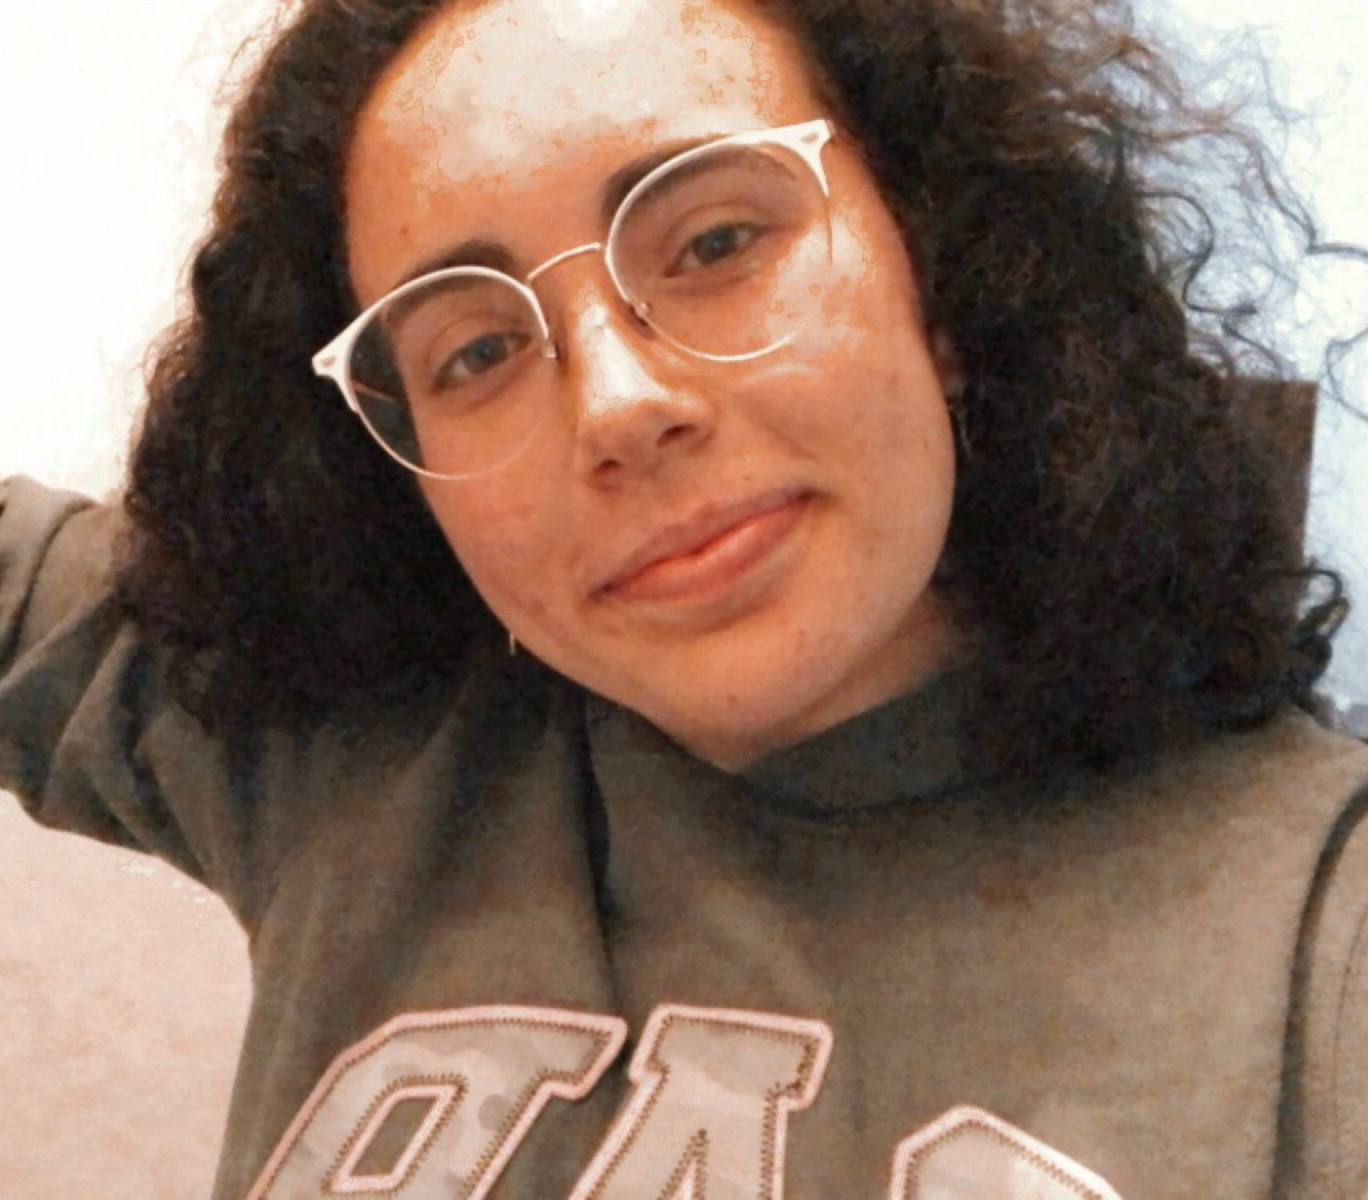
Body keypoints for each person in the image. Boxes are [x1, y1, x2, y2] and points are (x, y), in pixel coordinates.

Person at [1, 0, 1363, 1195]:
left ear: (942, 272)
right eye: (476, 351)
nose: (618, 405)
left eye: (713, 242)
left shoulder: (1317, 933)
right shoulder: (362, 760)